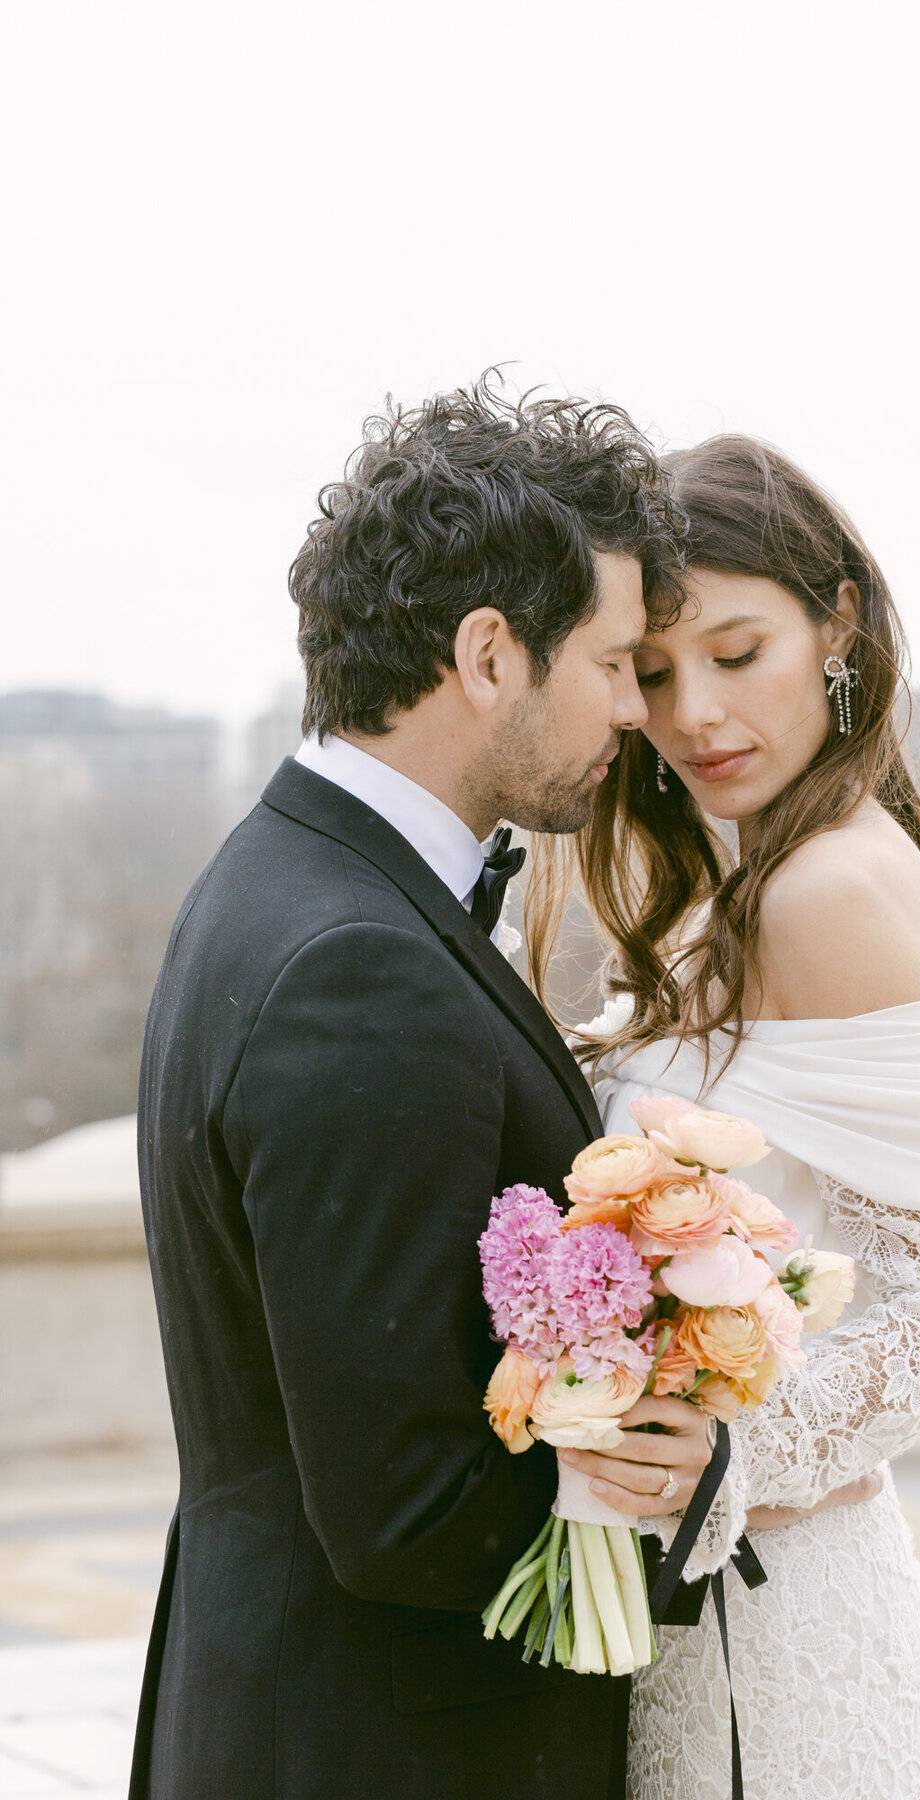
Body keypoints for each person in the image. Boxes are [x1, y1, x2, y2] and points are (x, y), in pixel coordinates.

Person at [129, 377, 719, 1800]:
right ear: (486, 654)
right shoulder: (357, 968)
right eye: (615, 663)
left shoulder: (285, 879)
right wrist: (680, 1491)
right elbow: (405, 1506)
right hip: (387, 1746)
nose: (639, 714)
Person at [529, 435, 920, 1799]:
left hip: (781, 1639)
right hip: (710, 1610)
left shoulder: (823, 893)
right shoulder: (745, 873)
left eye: (738, 654)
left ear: (837, 622)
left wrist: (730, 1453)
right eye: (659, 671)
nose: (696, 716)